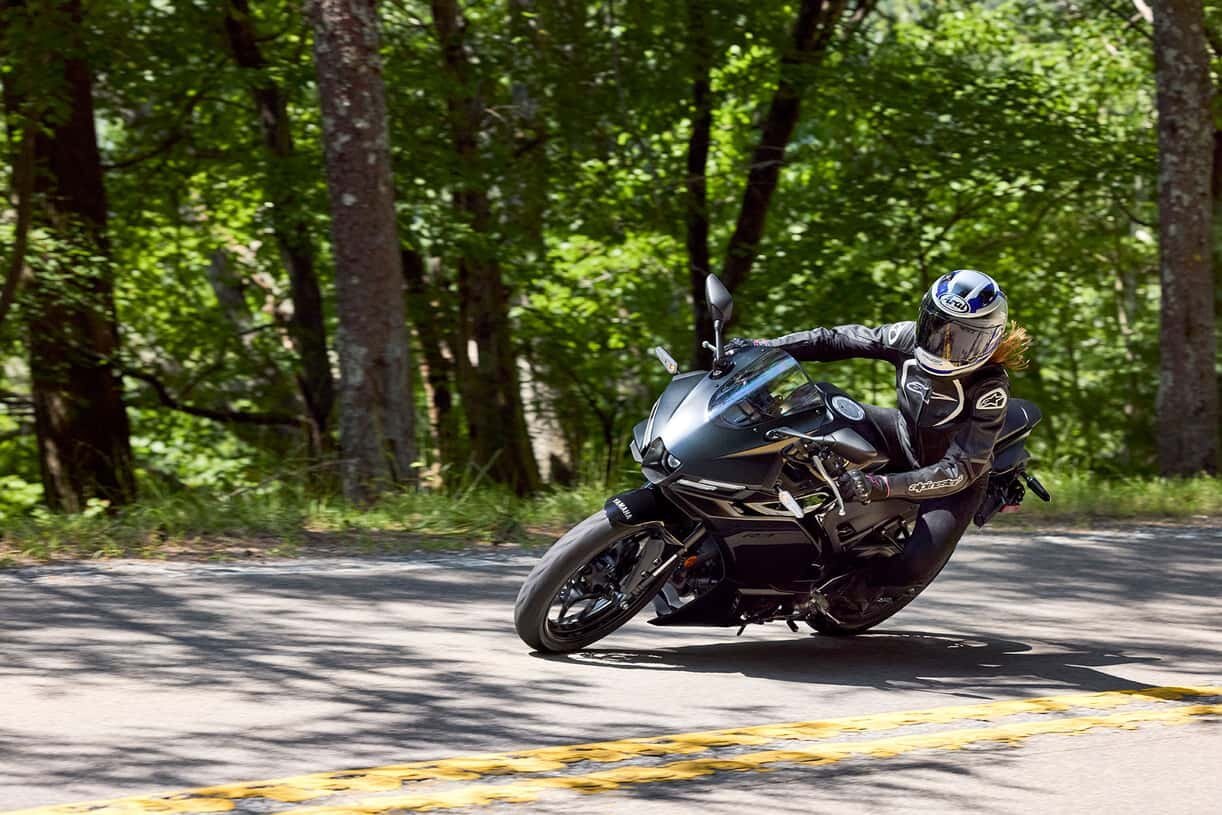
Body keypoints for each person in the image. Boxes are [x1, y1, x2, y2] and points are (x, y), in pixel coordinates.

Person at [729, 269, 1031, 613]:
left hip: (953, 482)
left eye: (962, 338)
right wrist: (763, 348)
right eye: (937, 327)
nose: (943, 344)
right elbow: (835, 340)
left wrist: (879, 486)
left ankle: (845, 592)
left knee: (913, 568)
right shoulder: (907, 337)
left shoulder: (990, 387)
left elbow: (961, 469)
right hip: (901, 434)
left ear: (990, 340)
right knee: (821, 405)